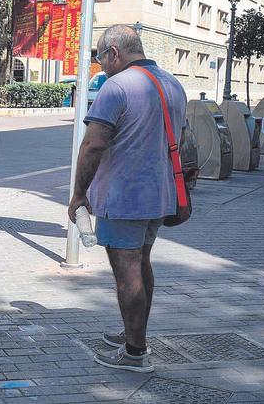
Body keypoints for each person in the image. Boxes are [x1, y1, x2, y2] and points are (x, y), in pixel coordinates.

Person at [68, 25, 187, 373]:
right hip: (160, 196)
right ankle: (133, 332)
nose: (101, 66)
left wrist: (78, 194)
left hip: (124, 197)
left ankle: (135, 352)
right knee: (141, 263)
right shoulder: (172, 83)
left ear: (115, 52)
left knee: (127, 271)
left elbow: (93, 144)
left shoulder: (116, 86)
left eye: (101, 58)